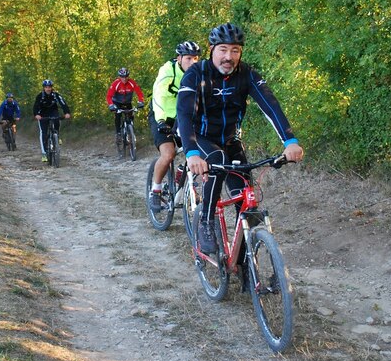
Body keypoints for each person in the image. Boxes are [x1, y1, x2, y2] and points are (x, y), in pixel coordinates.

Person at [176, 23, 304, 255]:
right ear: (212, 49)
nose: (229, 56)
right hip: (201, 138)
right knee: (217, 158)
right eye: (223, 49)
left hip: (231, 139)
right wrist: (192, 153)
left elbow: (270, 105)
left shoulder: (246, 74)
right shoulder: (196, 73)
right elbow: (184, 114)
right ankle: (206, 221)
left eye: (235, 50)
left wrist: (290, 141)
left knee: (245, 202)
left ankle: (246, 266)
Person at [147, 41, 202, 212]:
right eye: (188, 58)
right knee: (168, 154)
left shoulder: (199, 73)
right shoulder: (168, 71)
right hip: (161, 115)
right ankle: (156, 190)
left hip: (183, 117)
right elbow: (158, 96)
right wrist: (161, 120)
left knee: (198, 149)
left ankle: (183, 175)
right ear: (179, 58)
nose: (192, 62)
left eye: (195, 58)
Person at [33, 79, 72, 162]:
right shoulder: (40, 96)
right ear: (44, 88)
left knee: (57, 121)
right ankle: (44, 153)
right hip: (42, 114)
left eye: (49, 87)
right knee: (43, 133)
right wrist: (36, 114)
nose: (48, 89)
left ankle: (56, 136)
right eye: (46, 87)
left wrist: (67, 112)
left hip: (53, 112)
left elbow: (63, 103)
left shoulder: (56, 95)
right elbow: (36, 106)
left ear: (51, 87)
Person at [106, 67, 145, 136]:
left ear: (128, 76)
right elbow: (109, 96)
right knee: (118, 116)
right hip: (117, 102)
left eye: (126, 76)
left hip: (127, 103)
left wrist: (141, 101)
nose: (124, 78)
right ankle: (118, 133)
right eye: (122, 77)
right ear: (119, 77)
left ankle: (131, 131)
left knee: (131, 116)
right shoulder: (116, 83)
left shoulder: (132, 83)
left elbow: (139, 93)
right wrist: (111, 105)